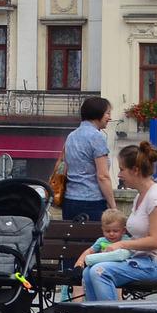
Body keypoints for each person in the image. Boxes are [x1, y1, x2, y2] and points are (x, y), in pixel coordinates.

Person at [76, 141, 157, 313]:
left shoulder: (156, 199)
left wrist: (121, 243)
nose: (119, 175)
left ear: (135, 170)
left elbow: (156, 240)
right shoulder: (140, 197)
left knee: (101, 272)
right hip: (141, 260)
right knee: (89, 272)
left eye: (122, 169)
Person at [58, 96, 115, 299]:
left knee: (73, 248)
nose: (109, 117)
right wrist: (112, 205)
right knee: (95, 250)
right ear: (98, 114)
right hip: (92, 202)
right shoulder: (97, 137)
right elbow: (102, 175)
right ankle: (89, 296)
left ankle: (70, 292)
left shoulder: (71, 136)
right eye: (107, 113)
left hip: (71, 201)